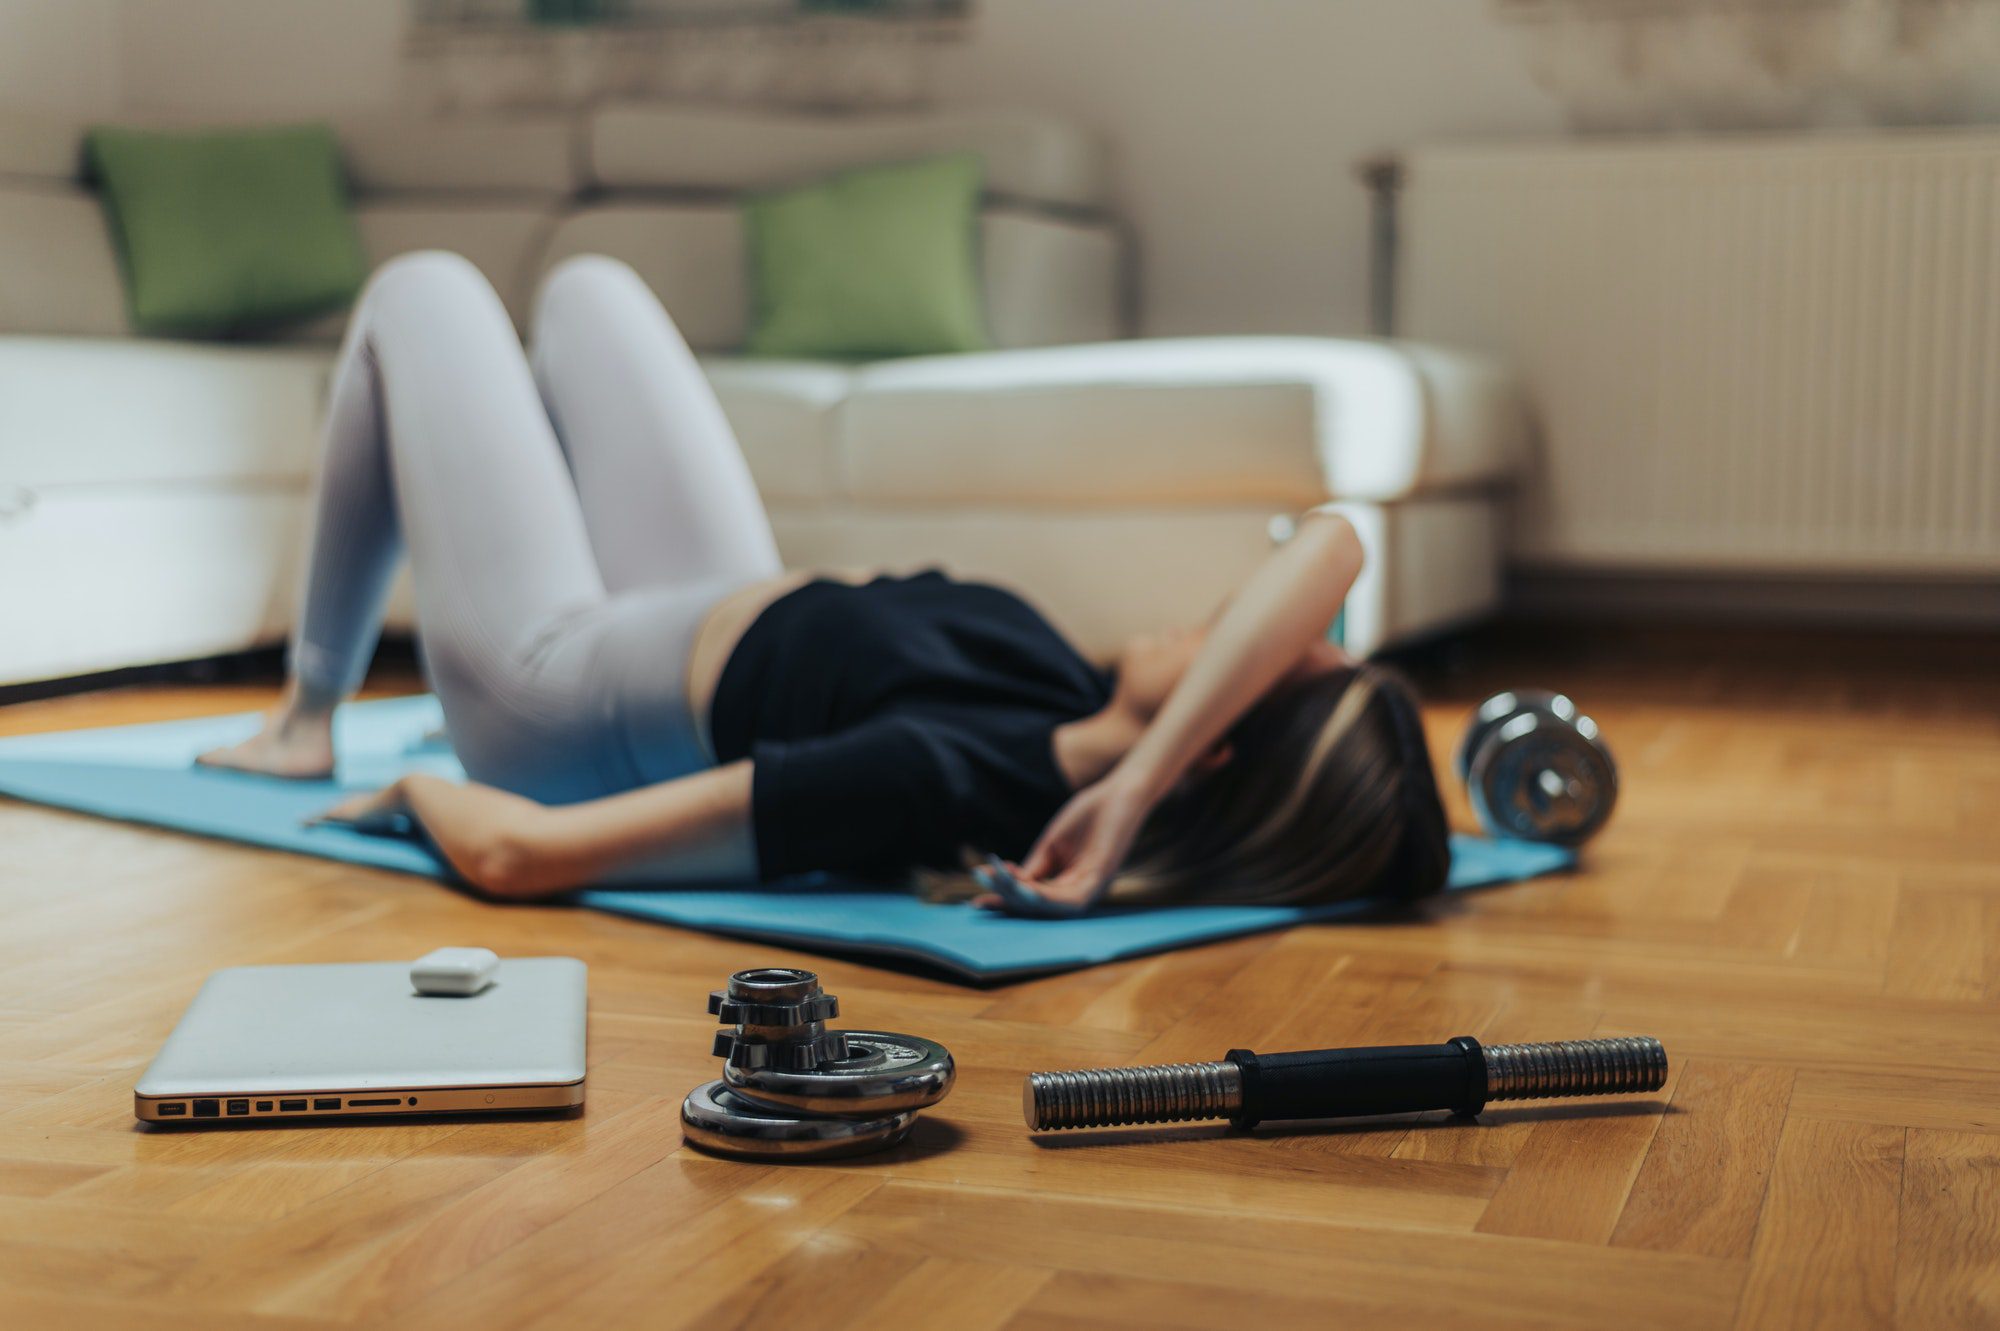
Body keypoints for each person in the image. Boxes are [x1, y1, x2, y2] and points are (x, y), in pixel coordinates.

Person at [200, 251, 1449, 913]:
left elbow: (525, 854)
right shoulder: (1068, 686)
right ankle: (311, 710)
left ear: (1208, 751)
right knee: (589, 291)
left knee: (423, 290)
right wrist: (1139, 778)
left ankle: (307, 717)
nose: (1232, 612)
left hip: (560, 686)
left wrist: (415, 782)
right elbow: (1335, 539)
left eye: (1254, 651)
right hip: (715, 604)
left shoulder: (947, 774)